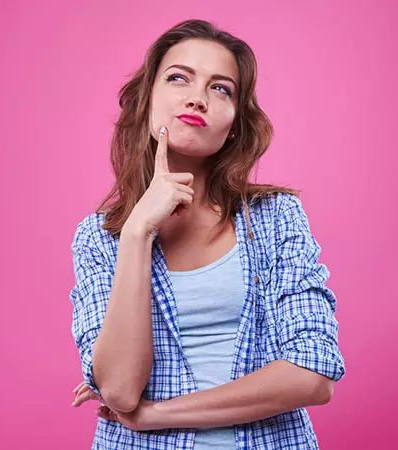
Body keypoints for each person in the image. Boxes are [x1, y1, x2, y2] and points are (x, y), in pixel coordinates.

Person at [68, 18, 346, 449]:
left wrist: (156, 415)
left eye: (220, 89)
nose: (197, 99)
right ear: (146, 102)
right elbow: (120, 389)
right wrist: (139, 230)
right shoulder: (100, 239)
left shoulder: (275, 218)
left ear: (234, 122)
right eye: (179, 78)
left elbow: (314, 374)